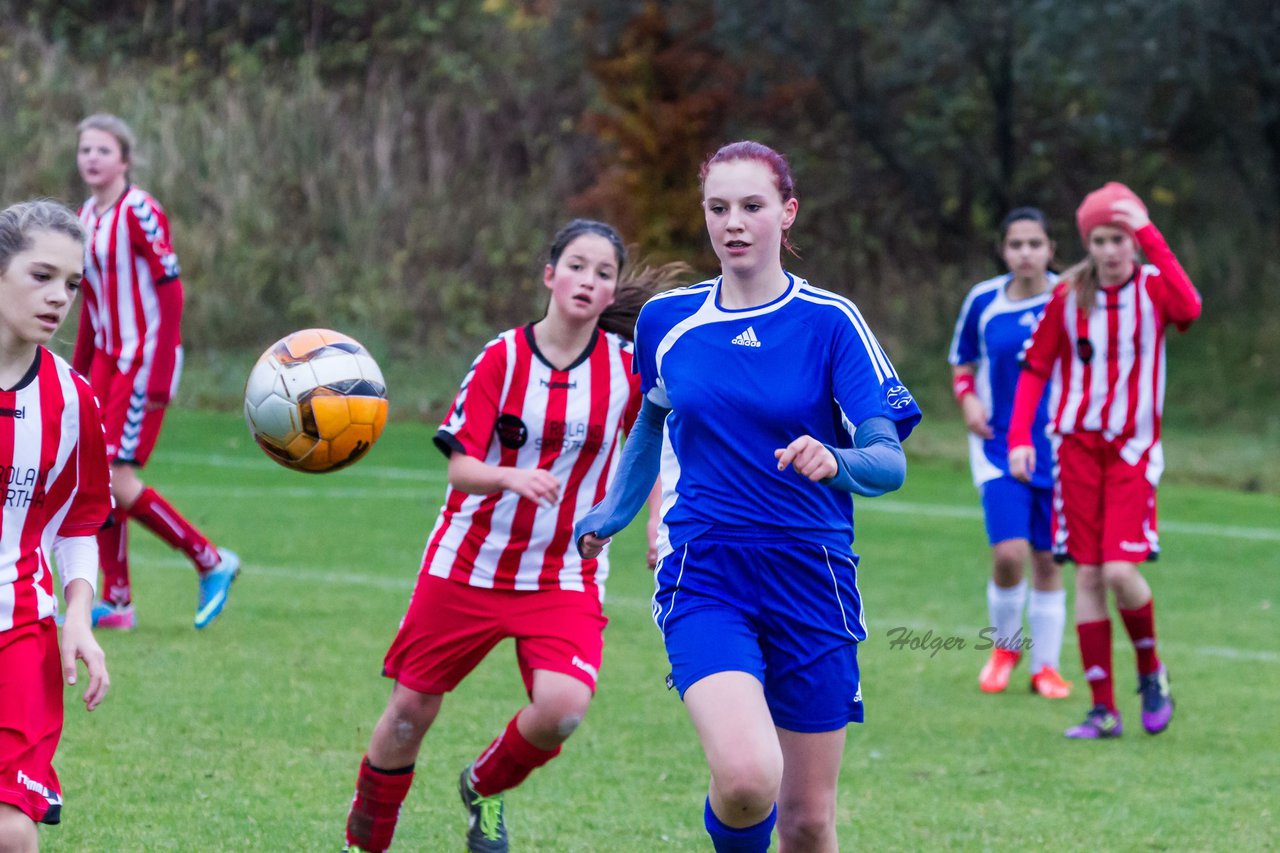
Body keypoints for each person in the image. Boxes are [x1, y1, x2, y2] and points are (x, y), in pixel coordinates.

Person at [576, 141, 922, 853]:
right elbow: (652, 420)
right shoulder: (667, 322)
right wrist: (611, 514)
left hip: (812, 578)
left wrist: (838, 458)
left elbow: (888, 462)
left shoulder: (832, 322)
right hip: (707, 571)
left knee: (806, 820)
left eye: (752, 206)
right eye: (718, 207)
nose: (733, 222)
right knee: (744, 777)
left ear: (786, 212)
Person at [342, 220, 676, 853]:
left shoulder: (627, 369)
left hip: (563, 573)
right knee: (410, 714)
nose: (589, 280)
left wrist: (656, 520)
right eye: (577, 266)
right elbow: (460, 468)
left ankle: (484, 785)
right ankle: (364, 842)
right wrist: (510, 478)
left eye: (603, 274)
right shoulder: (503, 357)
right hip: (468, 565)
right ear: (550, 275)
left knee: (562, 710)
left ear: (611, 295)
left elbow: (647, 451)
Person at [1008, 182, 1201, 739]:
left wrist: (1148, 230)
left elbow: (1191, 308)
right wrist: (1021, 436)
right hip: (1074, 449)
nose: (1111, 249)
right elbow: (1037, 368)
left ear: (1134, 240)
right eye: (1100, 238)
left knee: (1121, 570)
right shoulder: (1068, 296)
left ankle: (1150, 670)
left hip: (1132, 451)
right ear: (1087, 243)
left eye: (1120, 237)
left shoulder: (1155, 289)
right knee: (1088, 573)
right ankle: (1103, 709)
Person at [72, 113, 239, 631]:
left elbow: (170, 290)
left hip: (143, 360)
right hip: (104, 363)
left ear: (125, 160)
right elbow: (89, 303)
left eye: (103, 150)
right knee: (91, 477)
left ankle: (211, 560)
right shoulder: (83, 218)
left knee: (117, 477)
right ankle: (117, 601)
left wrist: (163, 368)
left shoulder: (140, 210)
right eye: (85, 150)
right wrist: (75, 373)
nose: (92, 159)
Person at [0, 199, 112, 852]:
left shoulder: (71, 399)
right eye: (41, 276)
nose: (58, 298)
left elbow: (78, 520)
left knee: (13, 830)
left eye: (71, 284)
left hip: (20, 631)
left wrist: (79, 615)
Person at [948, 208, 1071, 699]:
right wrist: (969, 399)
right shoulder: (983, 300)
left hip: (1059, 448)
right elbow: (962, 361)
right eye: (1016, 244)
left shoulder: (1069, 299)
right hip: (997, 445)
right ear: (1004, 250)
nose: (1026, 253)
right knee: (1009, 552)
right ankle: (1005, 647)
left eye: (1035, 244)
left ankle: (1046, 667)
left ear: (1051, 250)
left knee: (1048, 560)